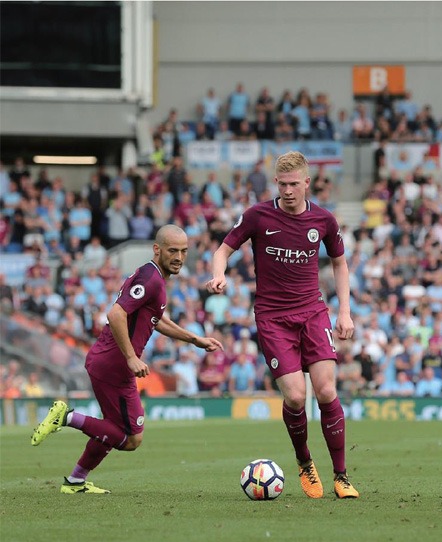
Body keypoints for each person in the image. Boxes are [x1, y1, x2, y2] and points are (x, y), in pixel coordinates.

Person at [206, 151, 359, 499]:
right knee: (294, 395)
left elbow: (340, 263)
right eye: (283, 184)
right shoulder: (258, 216)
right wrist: (218, 275)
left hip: (312, 313)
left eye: (295, 184)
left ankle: (341, 475)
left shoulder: (324, 220)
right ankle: (305, 462)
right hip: (273, 318)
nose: (288, 191)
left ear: (307, 183)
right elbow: (222, 251)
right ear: (276, 183)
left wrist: (345, 311)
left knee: (326, 391)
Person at [30, 225, 223, 493]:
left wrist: (194, 339)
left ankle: (75, 481)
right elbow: (116, 314)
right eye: (172, 250)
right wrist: (131, 357)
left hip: (109, 362)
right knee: (132, 438)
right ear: (157, 249)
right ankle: (66, 418)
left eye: (183, 251)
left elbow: (155, 319)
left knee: (111, 428)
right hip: (115, 366)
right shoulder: (151, 279)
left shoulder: (152, 276)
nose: (179, 256)